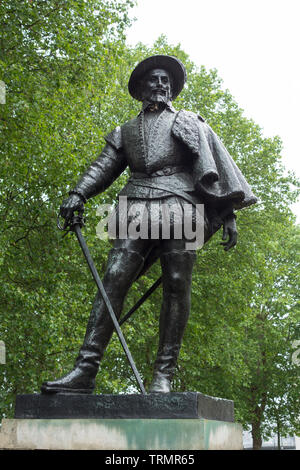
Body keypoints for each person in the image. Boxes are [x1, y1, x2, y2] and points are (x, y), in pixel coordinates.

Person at [41, 55, 257, 394]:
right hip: (136, 205)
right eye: (154, 80)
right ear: (141, 88)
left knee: (175, 282)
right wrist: (78, 192)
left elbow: (213, 165)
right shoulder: (126, 130)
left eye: (165, 80)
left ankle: (163, 375)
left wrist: (227, 211)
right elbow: (104, 167)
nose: (161, 84)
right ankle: (85, 370)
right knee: (114, 277)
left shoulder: (189, 122)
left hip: (179, 205)